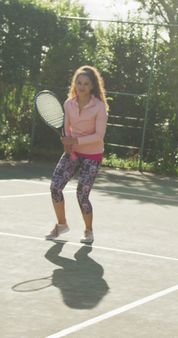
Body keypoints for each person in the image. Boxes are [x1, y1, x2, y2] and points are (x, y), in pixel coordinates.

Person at [45, 65, 109, 244]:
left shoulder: (99, 107)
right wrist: (67, 142)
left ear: (92, 86)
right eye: (79, 82)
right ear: (75, 84)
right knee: (55, 187)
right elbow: (67, 128)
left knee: (82, 193)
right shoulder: (68, 104)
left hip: (93, 155)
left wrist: (75, 141)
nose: (82, 86)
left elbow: (99, 136)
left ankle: (88, 231)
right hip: (73, 152)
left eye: (86, 83)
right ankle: (61, 224)